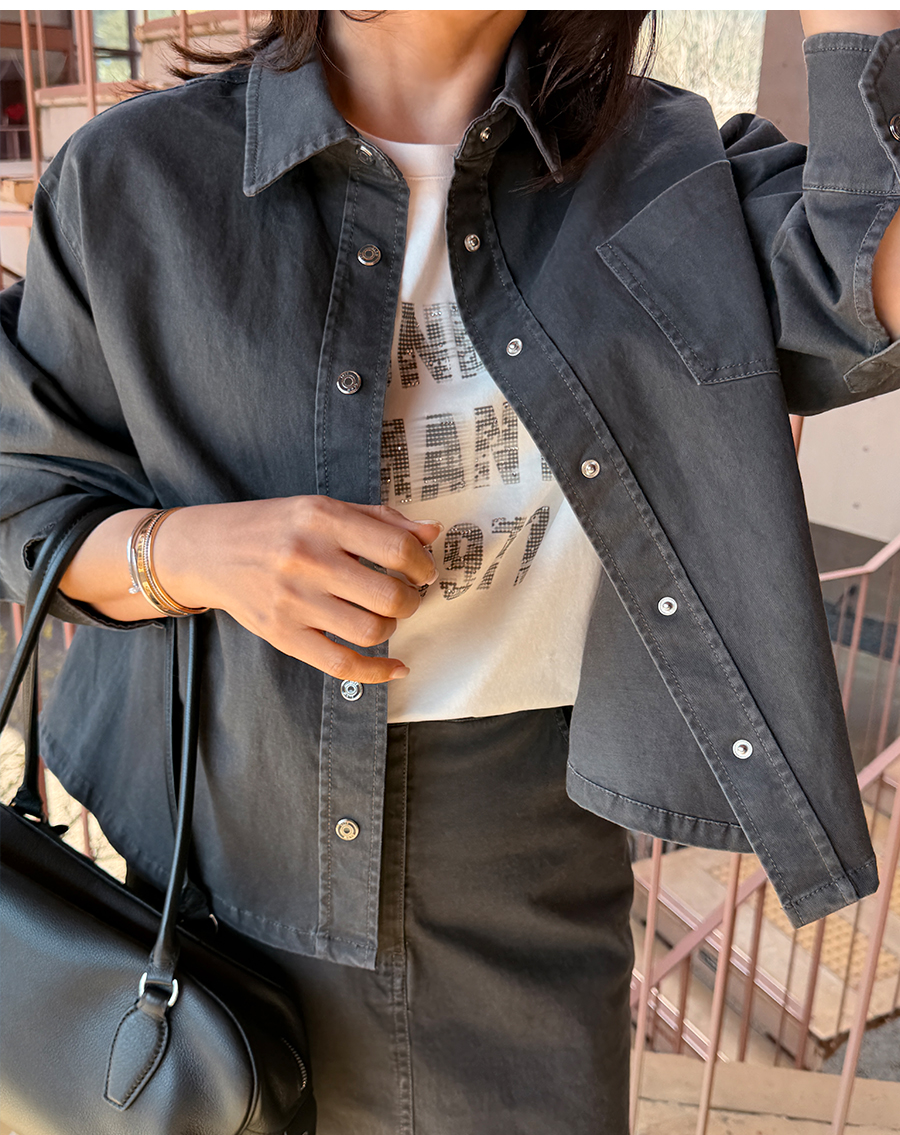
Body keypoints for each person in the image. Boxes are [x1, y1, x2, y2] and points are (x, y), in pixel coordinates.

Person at [2, 9, 899, 1133]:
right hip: (219, 874)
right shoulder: (136, 178)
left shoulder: (667, 174)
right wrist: (191, 555)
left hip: (527, 873)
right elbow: (27, 496)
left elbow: (863, 276)